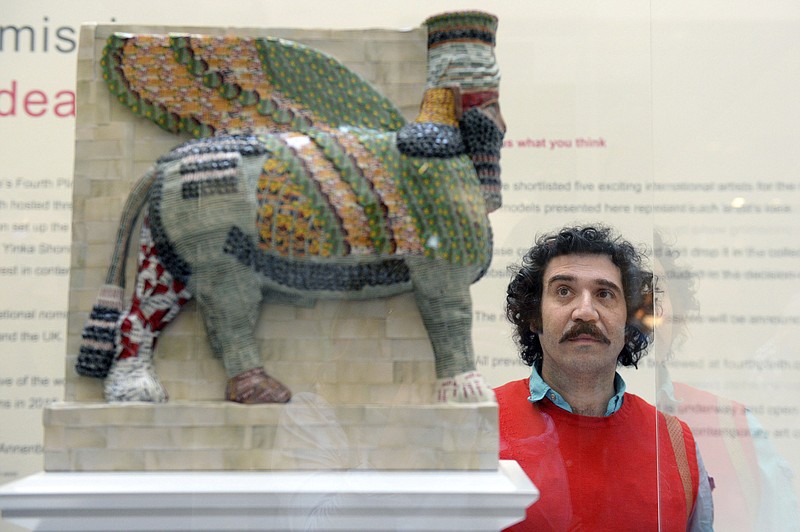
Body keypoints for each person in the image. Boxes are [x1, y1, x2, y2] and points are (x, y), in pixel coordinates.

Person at [496, 224, 714, 531]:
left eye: (604, 294)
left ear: (629, 319)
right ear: (534, 315)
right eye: (563, 291)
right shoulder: (477, 426)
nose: (585, 311)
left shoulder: (677, 444)